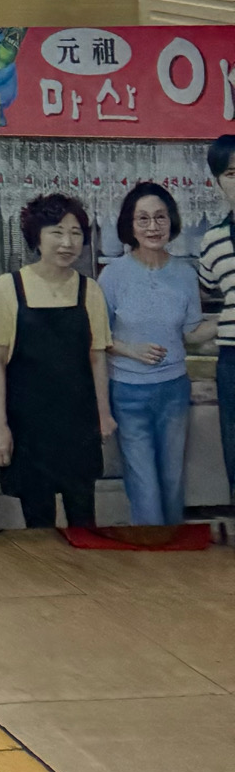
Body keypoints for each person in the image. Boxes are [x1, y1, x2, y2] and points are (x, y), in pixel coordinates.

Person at [0, 191, 112, 535]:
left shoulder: (89, 290)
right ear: (37, 236)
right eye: (57, 232)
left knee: (84, 520)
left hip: (78, 427)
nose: (67, 242)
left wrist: (104, 414)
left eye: (76, 233)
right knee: (39, 524)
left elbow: (97, 359)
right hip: (28, 429)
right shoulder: (8, 288)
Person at [101, 180, 209, 525]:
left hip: (174, 391)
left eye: (160, 218)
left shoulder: (185, 274)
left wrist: (228, 318)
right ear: (130, 226)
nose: (153, 227)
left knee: (172, 481)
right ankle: (151, 564)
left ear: (171, 222)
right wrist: (130, 349)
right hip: (128, 393)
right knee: (144, 485)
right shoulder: (113, 276)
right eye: (143, 219)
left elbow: (191, 334)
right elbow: (95, 337)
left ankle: (173, 563)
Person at [195, 136, 235, 507]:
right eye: (232, 173)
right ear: (218, 181)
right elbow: (214, 295)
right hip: (231, 361)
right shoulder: (212, 241)